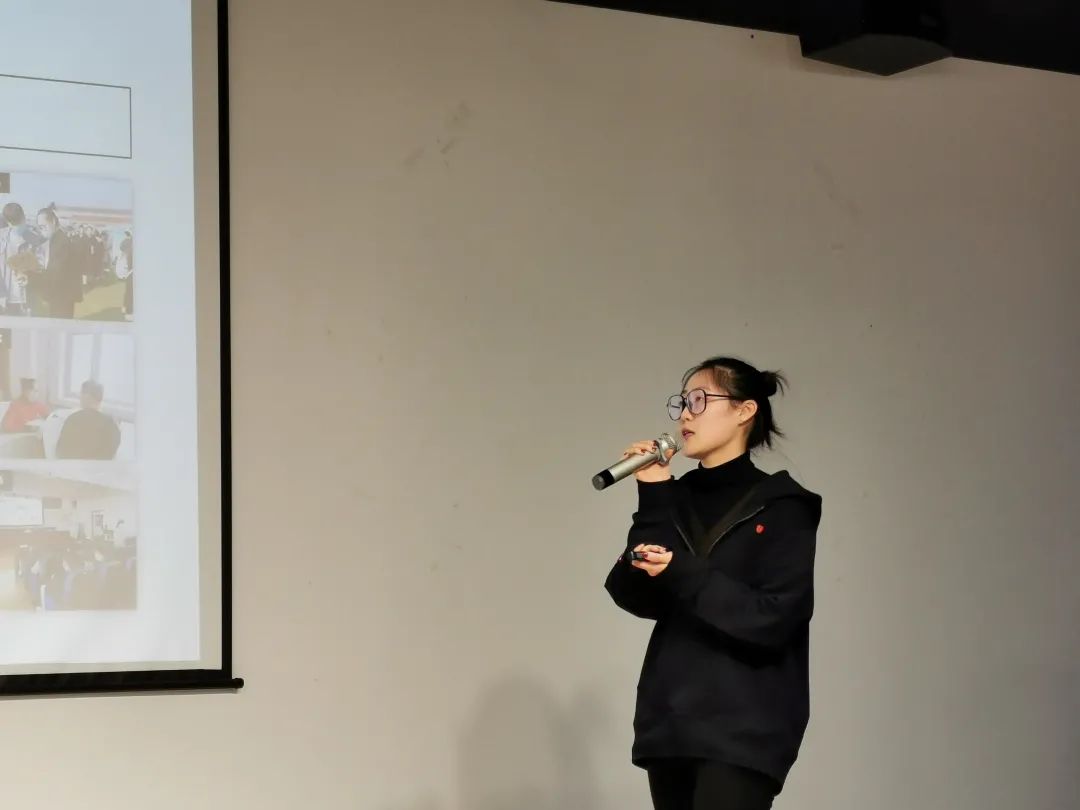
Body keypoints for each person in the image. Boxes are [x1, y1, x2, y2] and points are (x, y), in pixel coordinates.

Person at [604, 356, 822, 810]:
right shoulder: (672, 496)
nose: (685, 414)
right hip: (672, 722)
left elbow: (775, 617)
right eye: (681, 403)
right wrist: (653, 492)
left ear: (745, 410)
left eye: (699, 401)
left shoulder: (784, 506)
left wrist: (682, 571)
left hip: (745, 726)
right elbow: (635, 593)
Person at [55, 380, 121, 460]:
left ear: (86, 396)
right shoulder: (112, 423)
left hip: (74, 466)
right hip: (100, 467)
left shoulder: (73, 419)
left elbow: (60, 451)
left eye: (81, 394)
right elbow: (112, 453)